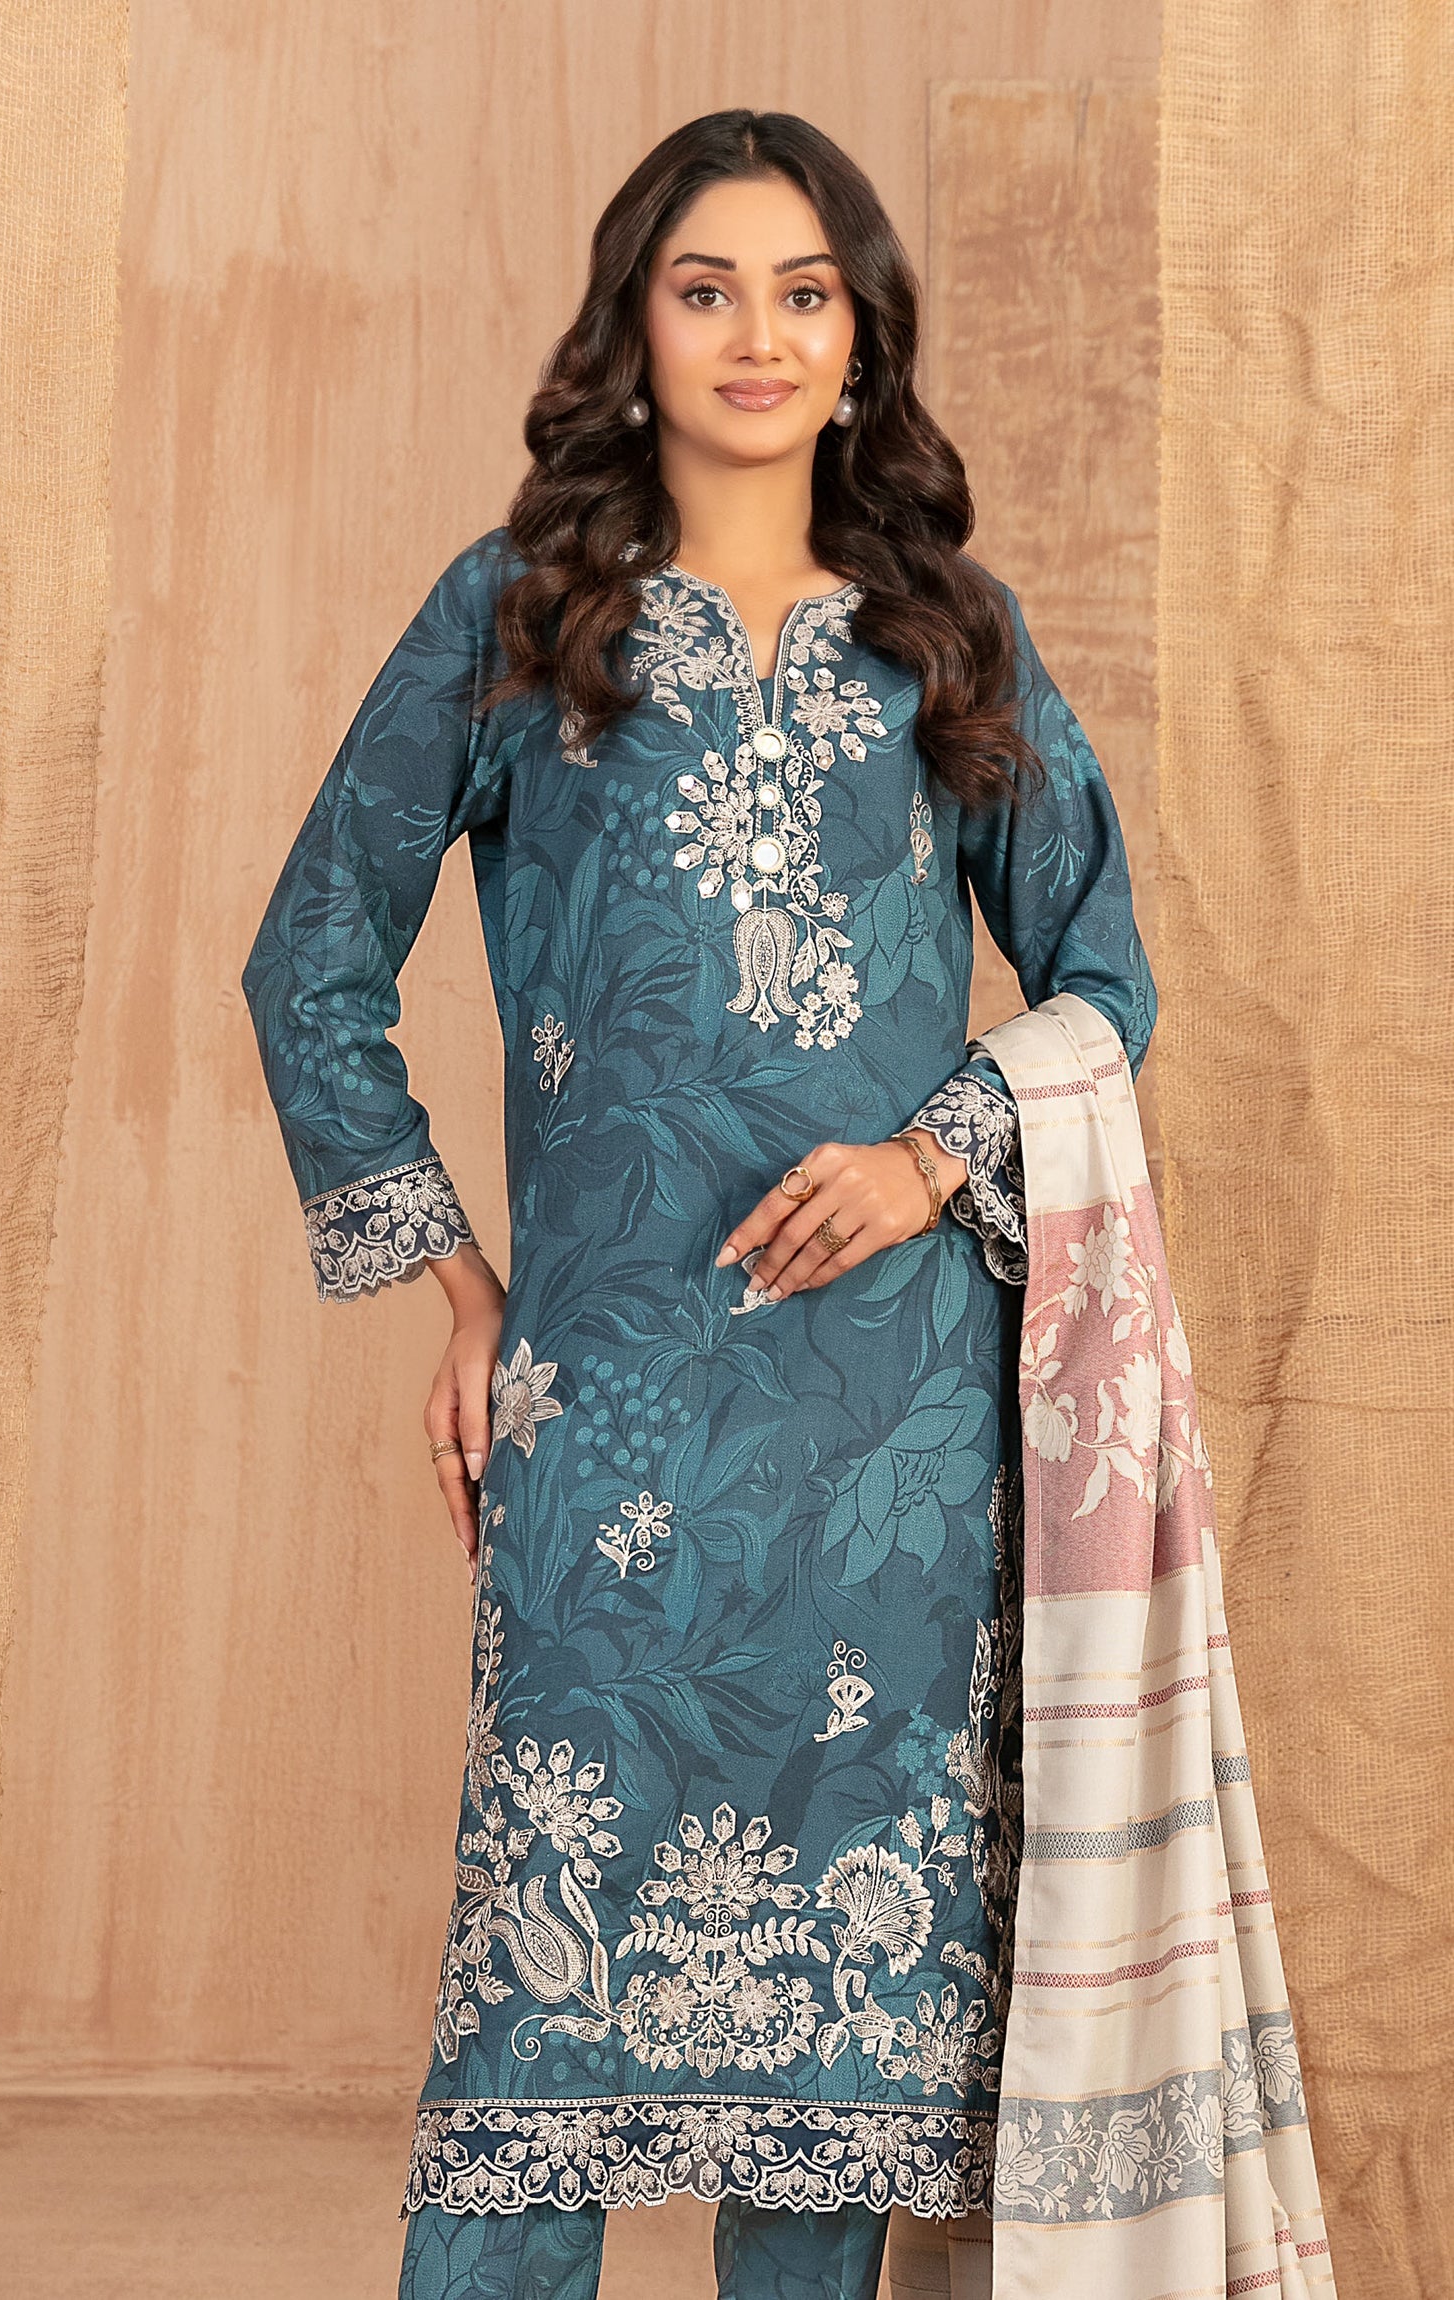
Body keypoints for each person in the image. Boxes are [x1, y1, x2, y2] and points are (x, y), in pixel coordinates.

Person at [242, 109, 1154, 2300]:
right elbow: (311, 958)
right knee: (536, 2039)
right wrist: (462, 1291)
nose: (760, 336)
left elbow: (1105, 984)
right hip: (613, 1410)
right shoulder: (520, 614)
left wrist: (933, 1156)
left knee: (833, 2063)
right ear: (632, 330)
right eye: (707, 289)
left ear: (862, 342)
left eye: (805, 294)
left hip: (887, 1445)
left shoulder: (948, 636)